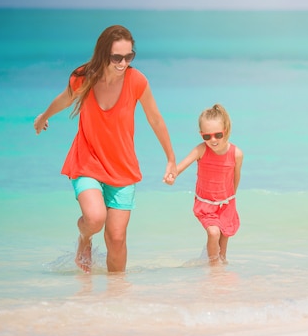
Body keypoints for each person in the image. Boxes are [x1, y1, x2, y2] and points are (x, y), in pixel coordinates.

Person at [33, 25, 177, 273]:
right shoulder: (84, 77)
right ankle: (85, 238)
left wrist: (171, 158)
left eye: (129, 56)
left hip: (122, 167)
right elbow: (66, 97)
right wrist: (44, 116)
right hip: (87, 160)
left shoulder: (137, 81)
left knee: (117, 240)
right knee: (95, 218)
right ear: (103, 54)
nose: (123, 63)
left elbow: (155, 118)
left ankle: (115, 296)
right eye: (116, 57)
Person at [165, 104, 243, 266]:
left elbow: (235, 178)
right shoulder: (201, 150)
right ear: (201, 135)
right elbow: (181, 166)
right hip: (206, 204)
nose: (212, 140)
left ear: (226, 130)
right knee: (213, 232)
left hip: (227, 203)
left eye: (217, 135)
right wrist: (172, 175)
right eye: (207, 137)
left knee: (223, 245)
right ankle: (213, 269)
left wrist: (230, 200)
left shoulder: (236, 154)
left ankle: (220, 273)